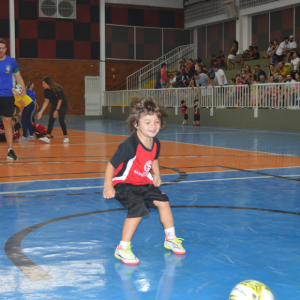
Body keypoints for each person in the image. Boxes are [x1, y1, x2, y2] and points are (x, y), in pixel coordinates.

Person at [103, 98, 185, 265]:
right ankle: (122, 248)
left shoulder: (155, 143)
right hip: (123, 183)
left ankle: (170, 238)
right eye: (147, 122)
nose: (153, 125)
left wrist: (157, 174)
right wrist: (107, 185)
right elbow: (111, 164)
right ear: (136, 124)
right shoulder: (130, 144)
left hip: (142, 181)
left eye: (156, 121)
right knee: (137, 208)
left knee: (164, 201)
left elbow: (153, 158)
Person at [0, 38, 26, 160]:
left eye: (2, 48)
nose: (0, 50)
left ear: (5, 49)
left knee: (7, 123)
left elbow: (18, 78)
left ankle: (10, 151)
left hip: (8, 97)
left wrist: (23, 88)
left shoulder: (12, 62)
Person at [37, 77, 69, 144]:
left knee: (61, 120)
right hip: (54, 105)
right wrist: (41, 111)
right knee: (51, 120)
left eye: (43, 83)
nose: (42, 85)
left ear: (48, 83)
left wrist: (57, 110)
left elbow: (60, 100)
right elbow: (46, 102)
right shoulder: (46, 90)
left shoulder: (57, 88)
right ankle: (48, 137)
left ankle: (66, 137)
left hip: (62, 105)